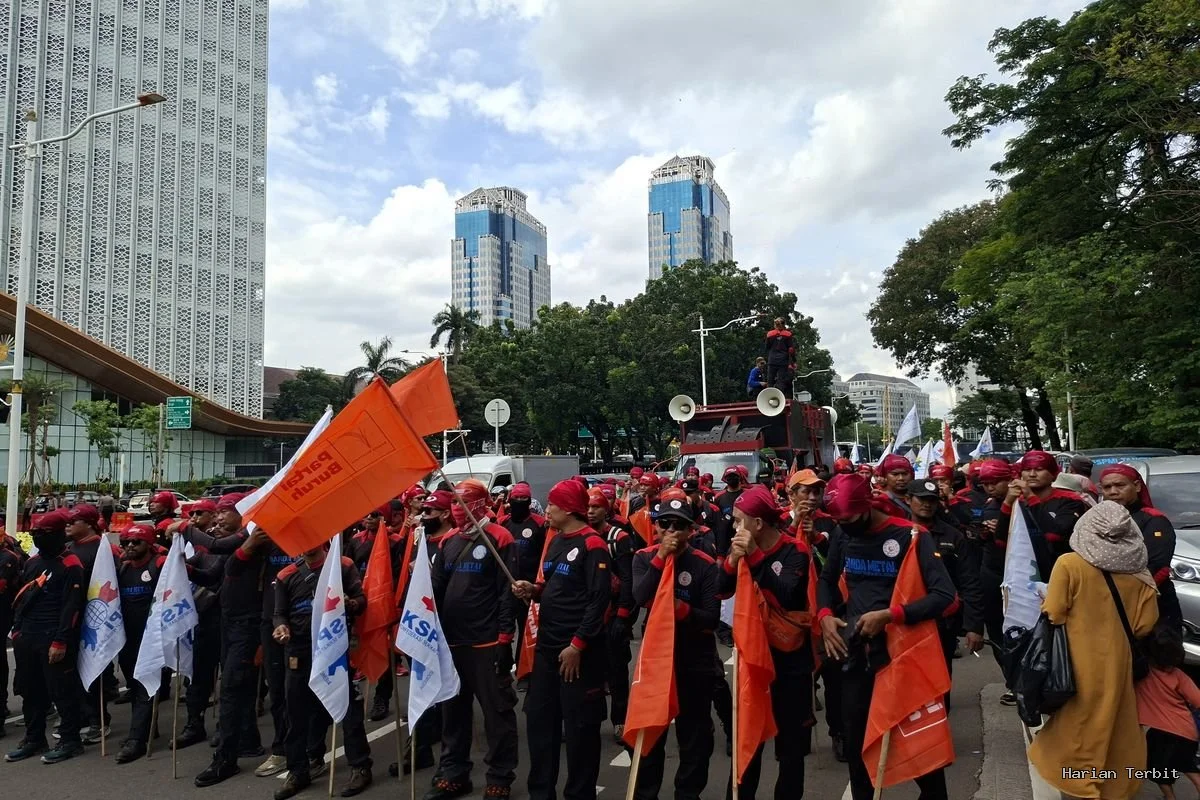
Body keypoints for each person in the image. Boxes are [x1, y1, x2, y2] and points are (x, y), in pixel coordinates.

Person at [818, 474, 956, 800]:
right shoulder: (842, 533)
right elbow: (826, 579)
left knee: (922, 755)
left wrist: (891, 615)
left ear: (866, 507)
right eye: (838, 521)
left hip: (904, 657)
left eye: (849, 520)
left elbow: (944, 596)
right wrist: (824, 616)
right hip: (858, 657)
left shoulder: (912, 536)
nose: (844, 526)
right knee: (858, 749)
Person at [1028, 501, 1159, 800]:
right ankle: (1117, 785)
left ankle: (1082, 782)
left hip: (1077, 659)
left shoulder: (1070, 564)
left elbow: (1054, 612)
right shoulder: (1140, 574)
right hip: (1119, 661)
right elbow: (1144, 625)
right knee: (1118, 722)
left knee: (1081, 722)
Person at [512, 480, 611, 800]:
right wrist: (533, 590)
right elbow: (553, 584)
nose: (547, 509)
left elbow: (598, 601)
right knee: (540, 723)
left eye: (552, 504)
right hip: (547, 649)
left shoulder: (593, 545)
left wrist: (578, 645)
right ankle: (541, 792)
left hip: (578, 654)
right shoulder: (555, 540)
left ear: (568, 509)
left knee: (581, 730)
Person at [424, 480, 520, 800]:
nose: (456, 508)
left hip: (486, 643)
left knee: (497, 714)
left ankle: (499, 777)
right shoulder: (448, 540)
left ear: (479, 503)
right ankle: (454, 772)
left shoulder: (500, 538)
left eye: (462, 501)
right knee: (453, 713)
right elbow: (435, 589)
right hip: (452, 644)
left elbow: (507, 595)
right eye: (453, 502)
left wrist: (504, 639)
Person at [721, 484, 817, 799]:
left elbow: (787, 594)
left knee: (791, 747)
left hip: (790, 661)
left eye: (739, 520)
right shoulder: (739, 547)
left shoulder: (795, 550)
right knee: (748, 737)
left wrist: (755, 557)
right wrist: (732, 561)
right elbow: (720, 589)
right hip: (753, 660)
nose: (734, 527)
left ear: (758, 523)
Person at [630, 493, 720, 800]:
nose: (671, 531)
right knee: (651, 732)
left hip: (694, 659)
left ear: (690, 530)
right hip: (656, 660)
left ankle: (688, 793)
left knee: (695, 736)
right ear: (655, 527)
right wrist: (661, 558)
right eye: (665, 524)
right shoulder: (643, 558)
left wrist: (679, 609)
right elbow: (640, 596)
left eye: (679, 525)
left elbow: (711, 618)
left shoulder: (704, 565)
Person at [272, 541, 372, 800]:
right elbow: (279, 613)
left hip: (334, 647)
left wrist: (350, 603)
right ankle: (298, 770)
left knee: (348, 711)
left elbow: (362, 601)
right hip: (299, 651)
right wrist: (281, 627)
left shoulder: (343, 566)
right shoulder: (286, 575)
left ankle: (360, 766)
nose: (307, 546)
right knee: (295, 713)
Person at [5, 510, 87, 764]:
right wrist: (17, 630)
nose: (38, 537)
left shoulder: (71, 564)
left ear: (60, 534)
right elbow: (22, 598)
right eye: (34, 533)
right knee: (30, 690)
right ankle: (34, 738)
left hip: (53, 636)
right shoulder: (33, 562)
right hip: (27, 635)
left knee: (61, 692)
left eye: (44, 533)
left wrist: (61, 641)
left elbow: (72, 607)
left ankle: (70, 740)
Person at [388, 488, 455, 780]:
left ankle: (451, 756)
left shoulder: (455, 542)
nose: (423, 515)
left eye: (429, 511)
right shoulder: (419, 540)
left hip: (451, 626)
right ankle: (419, 748)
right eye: (422, 511)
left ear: (445, 513)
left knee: (450, 692)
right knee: (421, 684)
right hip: (422, 624)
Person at [906, 480, 985, 673]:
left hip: (942, 620)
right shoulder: (895, 532)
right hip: (904, 617)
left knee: (939, 675)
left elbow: (970, 581)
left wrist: (974, 626)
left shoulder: (953, 536)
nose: (927, 504)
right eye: (922, 499)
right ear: (908, 499)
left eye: (932, 500)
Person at [64, 504, 121, 744]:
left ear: (88, 524)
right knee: (72, 673)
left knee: (95, 670)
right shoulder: (68, 548)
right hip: (72, 618)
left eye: (73, 521)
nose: (68, 525)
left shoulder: (104, 549)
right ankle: (81, 716)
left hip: (96, 620)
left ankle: (99, 721)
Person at [1100, 463, 1181, 628]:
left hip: (1153, 605)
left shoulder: (1154, 520)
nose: (1113, 492)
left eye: (1120, 485)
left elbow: (1156, 566)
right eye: (1107, 487)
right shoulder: (1098, 520)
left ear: (1137, 486)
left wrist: (1126, 592)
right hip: (1111, 604)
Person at [112, 523, 166, 764]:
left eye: (136, 542)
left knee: (145, 685)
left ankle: (137, 739)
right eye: (126, 543)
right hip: (128, 639)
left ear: (149, 543)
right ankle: (147, 727)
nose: (130, 546)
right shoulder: (123, 568)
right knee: (134, 686)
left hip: (152, 639)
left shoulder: (159, 565)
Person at [586, 489, 636, 744]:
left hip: (613, 613)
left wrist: (623, 615)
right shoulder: (580, 536)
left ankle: (620, 720)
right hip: (588, 615)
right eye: (588, 507)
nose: (591, 512)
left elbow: (627, 578)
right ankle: (589, 720)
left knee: (616, 671)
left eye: (596, 507)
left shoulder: (619, 538)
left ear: (606, 509)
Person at [1136, 627, 1200, 799]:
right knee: (1188, 766)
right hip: (1187, 731)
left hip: (1164, 734)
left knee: (1158, 769)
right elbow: (1198, 700)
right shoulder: (1179, 675)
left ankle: (1170, 797)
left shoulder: (1142, 672)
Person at [1005, 450, 1087, 578]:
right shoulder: (1017, 502)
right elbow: (1001, 542)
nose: (1032, 474)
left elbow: (1054, 535)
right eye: (1027, 469)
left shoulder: (1070, 500)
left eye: (1039, 469)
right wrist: (1007, 503)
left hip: (1059, 571)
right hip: (1023, 572)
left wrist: (1031, 497)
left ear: (1053, 475)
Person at [763, 317, 795, 392]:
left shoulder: (769, 334)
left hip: (772, 360)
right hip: (783, 361)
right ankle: (779, 397)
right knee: (781, 382)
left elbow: (767, 347)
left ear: (775, 324)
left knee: (770, 381)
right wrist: (793, 361)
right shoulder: (788, 334)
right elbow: (791, 350)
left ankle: (769, 397)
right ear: (784, 324)